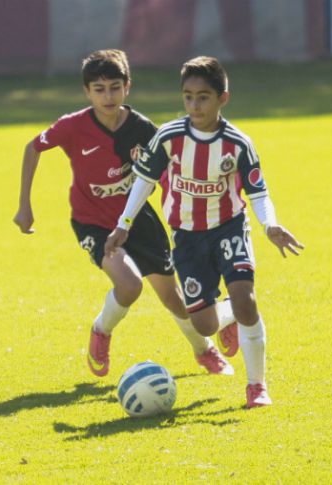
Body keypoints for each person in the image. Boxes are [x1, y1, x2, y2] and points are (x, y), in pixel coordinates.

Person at [13, 49, 238, 378]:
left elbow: (167, 170)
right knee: (130, 286)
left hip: (138, 221)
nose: (108, 96)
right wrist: (24, 205)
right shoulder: (72, 127)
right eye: (99, 89)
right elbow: (33, 147)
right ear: (87, 92)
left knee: (175, 299)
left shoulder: (143, 128)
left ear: (127, 87)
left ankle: (205, 348)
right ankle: (101, 330)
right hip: (94, 223)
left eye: (115, 87)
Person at [105, 56, 305, 408]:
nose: (195, 105)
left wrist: (269, 224)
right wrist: (123, 224)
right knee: (204, 325)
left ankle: (256, 386)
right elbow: (144, 181)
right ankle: (227, 313)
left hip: (229, 228)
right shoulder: (169, 137)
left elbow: (258, 191)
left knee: (247, 301)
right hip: (187, 237)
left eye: (203, 97)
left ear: (222, 98)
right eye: (188, 96)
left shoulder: (238, 143)